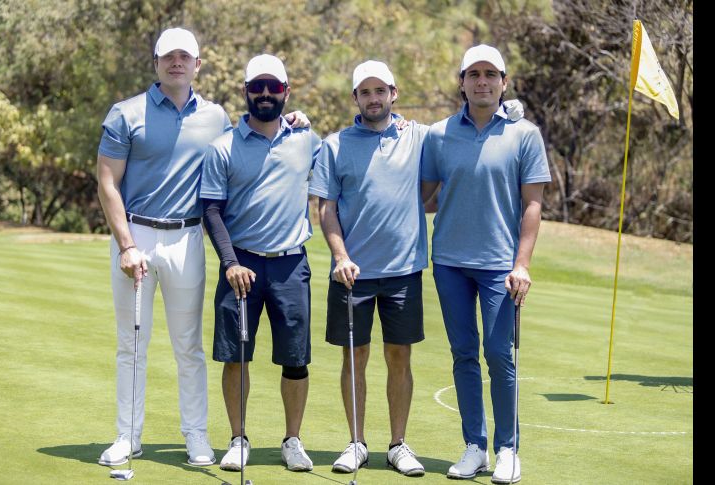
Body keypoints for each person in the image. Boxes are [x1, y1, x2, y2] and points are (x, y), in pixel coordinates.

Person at [96, 29, 308, 468]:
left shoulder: (215, 117)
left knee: (188, 346)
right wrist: (126, 245)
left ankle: (195, 436)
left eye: (185, 57)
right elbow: (107, 182)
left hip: (188, 238)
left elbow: (259, 132)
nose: (177, 62)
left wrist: (295, 120)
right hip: (138, 238)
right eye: (168, 56)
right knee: (130, 345)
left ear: (197, 64)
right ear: (155, 62)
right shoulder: (126, 113)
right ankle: (127, 436)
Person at [309, 60, 524, 477]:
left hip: (404, 270)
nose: (373, 98)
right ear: (356, 98)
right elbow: (326, 207)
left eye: (380, 90)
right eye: (365, 92)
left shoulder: (421, 136)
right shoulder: (335, 144)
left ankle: (397, 444)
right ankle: (356, 443)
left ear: (394, 93)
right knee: (355, 358)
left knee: (399, 357)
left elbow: (462, 130)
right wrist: (339, 256)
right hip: (351, 271)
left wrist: (508, 109)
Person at [420, 44, 550, 484]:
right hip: (450, 262)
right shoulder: (438, 134)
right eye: (473, 74)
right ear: (461, 82)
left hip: (501, 266)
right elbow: (422, 194)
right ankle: (474, 446)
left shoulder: (524, 134)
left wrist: (523, 264)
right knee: (463, 355)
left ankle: (508, 449)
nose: (482, 81)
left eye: (490, 75)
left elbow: (532, 205)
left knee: (499, 356)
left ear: (504, 82)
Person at [199, 54, 321, 473]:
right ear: (245, 92)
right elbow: (211, 210)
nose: (266, 94)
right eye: (258, 87)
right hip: (241, 265)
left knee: (296, 358)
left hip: (290, 264)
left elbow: (343, 174)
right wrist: (230, 262)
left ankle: (292, 440)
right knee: (237, 356)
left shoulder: (307, 139)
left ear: (286, 92)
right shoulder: (222, 148)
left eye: (274, 87)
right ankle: (238, 438)